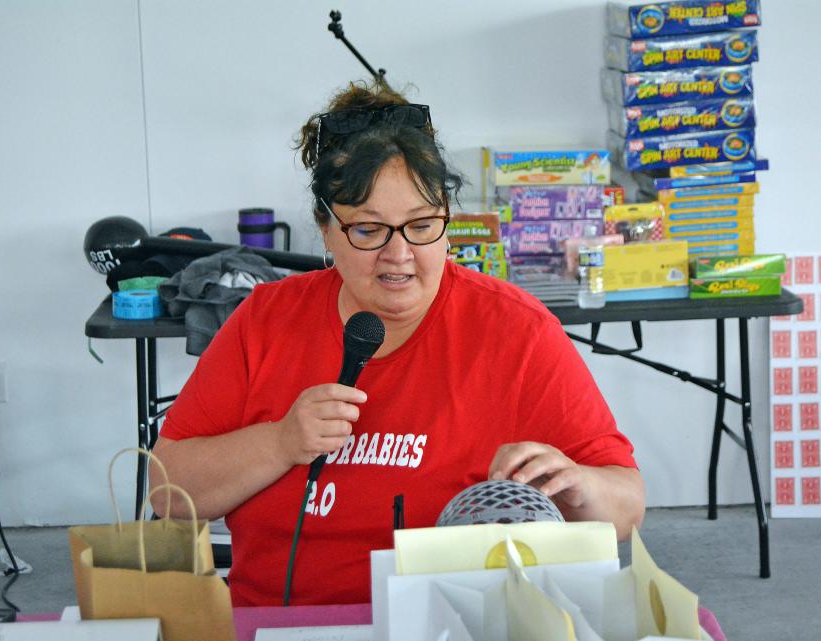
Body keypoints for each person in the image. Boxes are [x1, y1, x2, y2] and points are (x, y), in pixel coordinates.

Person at [151, 82, 645, 607]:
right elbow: (167, 493)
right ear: (326, 229)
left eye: (421, 226)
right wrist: (279, 443)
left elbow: (626, 509)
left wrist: (577, 488)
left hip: (456, 623)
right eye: (368, 231)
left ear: (448, 221)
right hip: (279, 623)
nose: (399, 254)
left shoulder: (515, 330)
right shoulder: (265, 320)